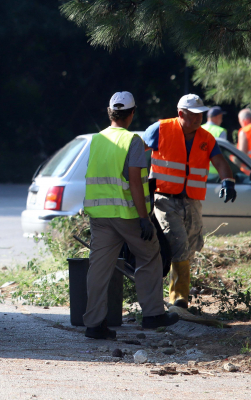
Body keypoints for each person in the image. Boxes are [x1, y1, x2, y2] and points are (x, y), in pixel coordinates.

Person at [82, 92, 179, 339]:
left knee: (99, 268)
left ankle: (94, 324)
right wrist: (144, 218)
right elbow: (135, 182)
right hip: (127, 215)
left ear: (109, 112)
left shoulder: (97, 139)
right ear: (132, 113)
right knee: (149, 256)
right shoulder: (132, 140)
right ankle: (153, 314)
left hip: (99, 215)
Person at [143, 94, 237, 308]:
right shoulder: (160, 129)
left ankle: (175, 292)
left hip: (192, 201)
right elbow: (138, 153)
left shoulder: (206, 138)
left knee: (193, 245)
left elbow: (220, 161)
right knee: (178, 243)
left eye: (201, 115)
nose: (198, 119)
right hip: (165, 199)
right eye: (193, 115)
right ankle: (178, 298)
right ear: (180, 114)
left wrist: (228, 181)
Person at [201, 106, 228, 176]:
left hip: (199, 171)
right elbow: (222, 152)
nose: (221, 120)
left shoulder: (199, 129)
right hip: (215, 174)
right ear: (217, 117)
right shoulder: (220, 131)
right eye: (221, 118)